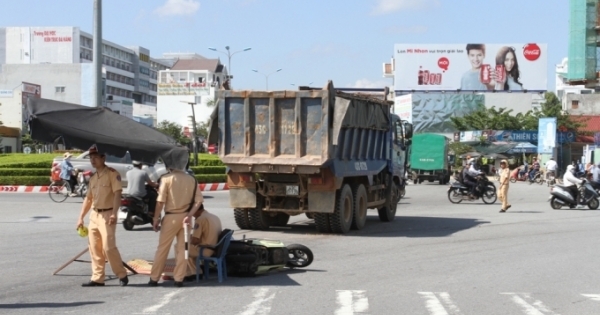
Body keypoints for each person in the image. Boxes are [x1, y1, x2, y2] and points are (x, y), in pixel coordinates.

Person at [76, 144, 129, 287]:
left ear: (103, 158)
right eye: (91, 158)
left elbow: (118, 193)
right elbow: (88, 199)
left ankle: (121, 274)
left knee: (108, 247)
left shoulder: (112, 174)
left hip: (107, 214)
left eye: (95, 157)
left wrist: (114, 213)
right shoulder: (93, 178)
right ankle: (97, 278)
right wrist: (81, 217)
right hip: (95, 215)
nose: (93, 160)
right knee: (94, 248)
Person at [148, 165, 203, 287]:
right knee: (183, 249)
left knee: (163, 249)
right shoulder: (192, 179)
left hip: (171, 217)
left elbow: (160, 201)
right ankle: (179, 279)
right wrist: (189, 215)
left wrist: (155, 218)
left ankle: (154, 278)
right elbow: (199, 201)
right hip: (186, 218)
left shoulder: (166, 178)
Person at [185, 203, 222, 278]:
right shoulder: (214, 217)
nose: (191, 214)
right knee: (188, 248)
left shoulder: (200, 219)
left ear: (195, 210)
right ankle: (193, 270)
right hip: (215, 248)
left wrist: (187, 239)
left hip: (206, 250)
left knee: (180, 247)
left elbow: (195, 240)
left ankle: (193, 272)